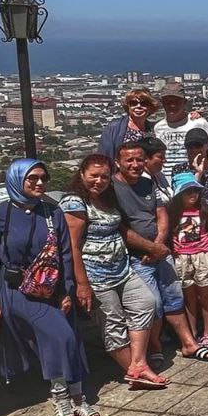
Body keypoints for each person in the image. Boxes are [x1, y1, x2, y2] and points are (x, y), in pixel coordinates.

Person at [0, 159, 96, 416]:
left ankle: (76, 396)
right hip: (18, 290)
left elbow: (65, 254)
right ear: (16, 180)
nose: (40, 183)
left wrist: (67, 291)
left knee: (67, 337)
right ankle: (63, 395)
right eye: (32, 179)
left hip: (52, 289)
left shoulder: (52, 212)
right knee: (61, 336)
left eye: (44, 178)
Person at [61, 155, 163, 390]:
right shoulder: (75, 203)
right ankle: (135, 371)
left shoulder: (107, 198)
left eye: (104, 176)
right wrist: (82, 283)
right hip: (95, 277)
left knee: (146, 303)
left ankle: (138, 363)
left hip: (121, 269)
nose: (99, 181)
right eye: (93, 176)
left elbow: (120, 228)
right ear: (82, 174)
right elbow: (72, 246)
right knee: (112, 324)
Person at [111, 142, 208, 365]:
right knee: (153, 303)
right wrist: (150, 248)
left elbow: (161, 214)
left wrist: (158, 244)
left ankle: (188, 343)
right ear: (118, 162)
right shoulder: (113, 189)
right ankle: (154, 347)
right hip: (137, 257)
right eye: (130, 160)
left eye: (139, 159)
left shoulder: (147, 184)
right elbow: (120, 227)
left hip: (159, 251)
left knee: (174, 297)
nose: (135, 164)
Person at [167, 172, 208, 350]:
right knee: (189, 298)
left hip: (202, 256)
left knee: (205, 296)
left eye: (195, 190)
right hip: (182, 258)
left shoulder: (205, 210)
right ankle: (191, 333)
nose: (192, 195)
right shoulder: (173, 213)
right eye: (187, 191)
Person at [154, 81, 208, 170]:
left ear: (184, 102)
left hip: (195, 178)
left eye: (176, 102)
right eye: (167, 102)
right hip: (166, 180)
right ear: (162, 103)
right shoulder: (158, 127)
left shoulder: (199, 123)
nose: (172, 105)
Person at [171, 127, 208, 210]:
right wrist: (198, 175)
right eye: (190, 146)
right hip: (189, 217)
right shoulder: (179, 170)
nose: (194, 150)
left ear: (207, 145)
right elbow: (181, 199)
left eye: (198, 145)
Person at [98, 88, 158, 161]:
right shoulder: (114, 128)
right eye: (133, 103)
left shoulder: (154, 129)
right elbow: (104, 156)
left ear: (150, 107)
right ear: (128, 107)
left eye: (144, 103)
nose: (138, 106)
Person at [140, 136, 172, 204]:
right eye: (160, 157)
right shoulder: (139, 181)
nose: (164, 160)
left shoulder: (160, 175)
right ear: (145, 158)